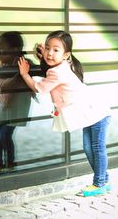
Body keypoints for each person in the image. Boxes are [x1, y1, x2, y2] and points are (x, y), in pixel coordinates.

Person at [18, 30, 111, 197]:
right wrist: (43, 57)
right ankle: (104, 180)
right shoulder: (62, 66)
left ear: (66, 54)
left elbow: (39, 87)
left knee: (96, 148)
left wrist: (25, 74)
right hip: (90, 112)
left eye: (56, 50)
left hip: (96, 112)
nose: (50, 53)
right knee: (89, 148)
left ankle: (99, 184)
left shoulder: (57, 71)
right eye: (47, 48)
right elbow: (51, 68)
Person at [0, 31, 35, 175]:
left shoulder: (26, 64)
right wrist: (20, 74)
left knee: (4, 134)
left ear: (16, 49)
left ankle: (10, 164)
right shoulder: (3, 67)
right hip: (2, 106)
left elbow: (40, 72)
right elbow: (4, 86)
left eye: (2, 47)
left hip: (17, 107)